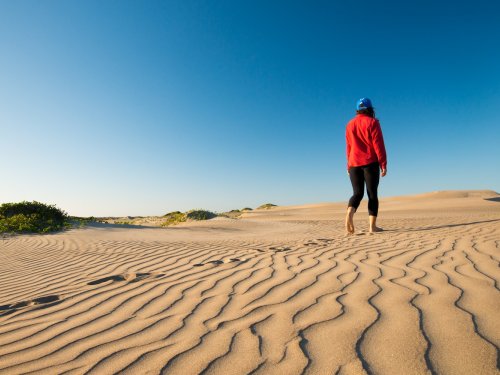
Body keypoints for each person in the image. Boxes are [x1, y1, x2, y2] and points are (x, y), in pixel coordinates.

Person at [345, 98, 387, 234]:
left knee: (357, 193)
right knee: (372, 194)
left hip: (353, 164)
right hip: (370, 163)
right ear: (370, 109)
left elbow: (349, 147)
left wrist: (348, 166)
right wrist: (383, 164)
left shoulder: (349, 124)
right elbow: (378, 145)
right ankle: (372, 227)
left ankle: (350, 213)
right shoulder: (373, 122)